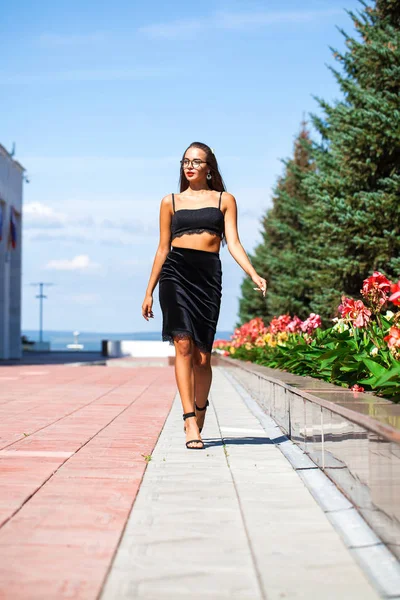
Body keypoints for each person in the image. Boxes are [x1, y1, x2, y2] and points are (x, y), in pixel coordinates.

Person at [142, 142, 267, 450]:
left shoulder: (225, 200)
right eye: (186, 161)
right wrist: (148, 291)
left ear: (209, 168)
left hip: (207, 276)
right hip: (175, 273)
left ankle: (200, 410)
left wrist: (253, 273)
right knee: (182, 344)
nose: (190, 166)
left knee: (202, 357)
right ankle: (188, 420)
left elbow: (233, 242)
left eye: (197, 162)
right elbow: (162, 248)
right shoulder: (170, 201)